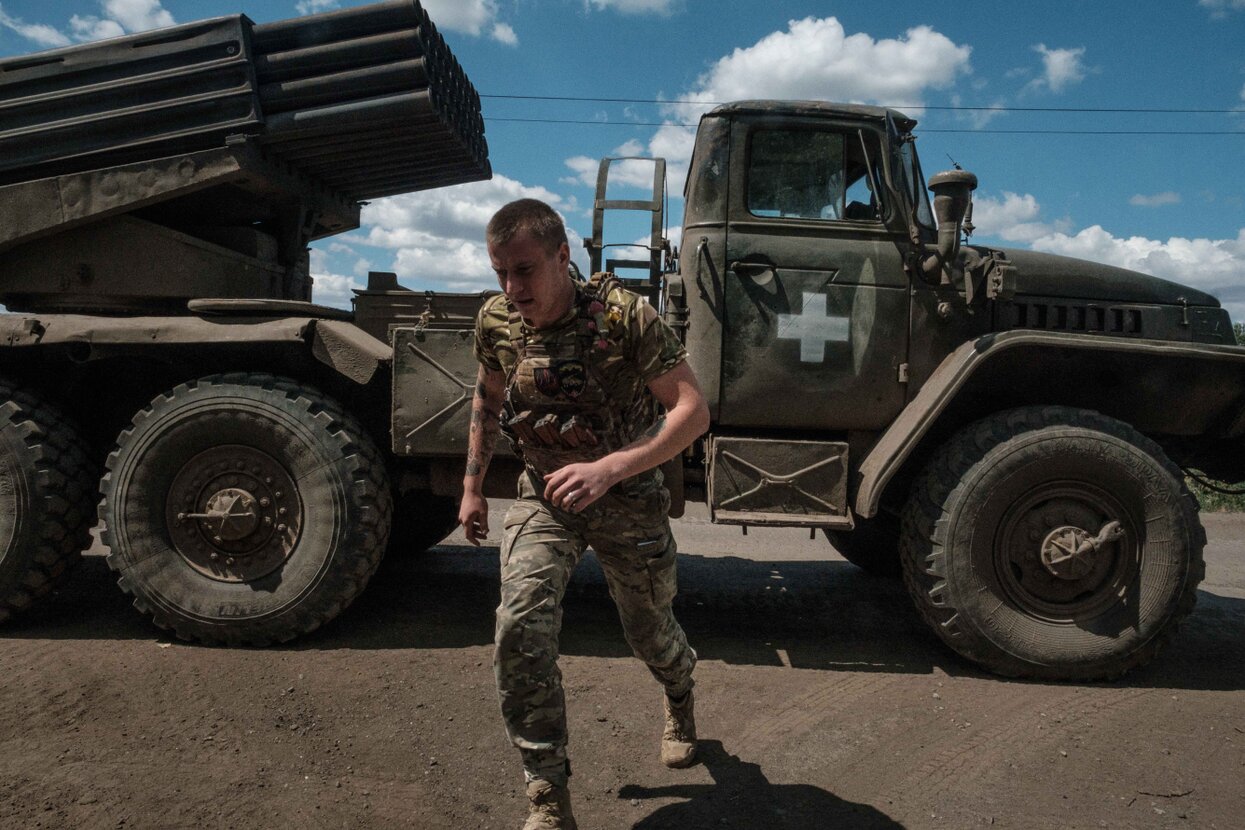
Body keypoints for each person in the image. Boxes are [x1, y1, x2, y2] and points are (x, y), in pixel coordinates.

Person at [459, 198, 710, 829]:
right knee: (519, 624)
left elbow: (691, 410)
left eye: (523, 271)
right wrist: (472, 486)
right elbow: (487, 401)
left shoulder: (624, 317)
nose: (512, 289)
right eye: (499, 275)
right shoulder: (495, 321)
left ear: (562, 257)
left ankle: (679, 692)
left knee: (650, 634)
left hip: (626, 498)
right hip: (547, 498)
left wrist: (610, 470)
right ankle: (546, 793)